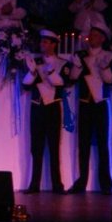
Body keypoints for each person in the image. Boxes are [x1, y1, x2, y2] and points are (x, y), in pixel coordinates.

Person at [67, 23, 112, 194]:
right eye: (90, 34)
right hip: (85, 103)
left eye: (95, 35)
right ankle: (81, 182)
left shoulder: (109, 56)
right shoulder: (81, 55)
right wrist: (77, 66)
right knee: (83, 144)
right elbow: (73, 78)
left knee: (103, 144)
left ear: (102, 38)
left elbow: (110, 81)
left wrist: (104, 68)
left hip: (101, 103)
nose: (91, 38)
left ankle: (106, 184)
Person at [22, 30, 71, 194]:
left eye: (46, 42)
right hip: (37, 106)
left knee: (54, 147)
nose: (42, 45)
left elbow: (61, 83)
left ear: (54, 44)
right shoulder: (34, 61)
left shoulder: (62, 63)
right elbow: (26, 85)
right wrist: (32, 72)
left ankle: (57, 185)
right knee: (36, 148)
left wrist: (50, 71)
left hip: (53, 108)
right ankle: (34, 184)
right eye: (42, 41)